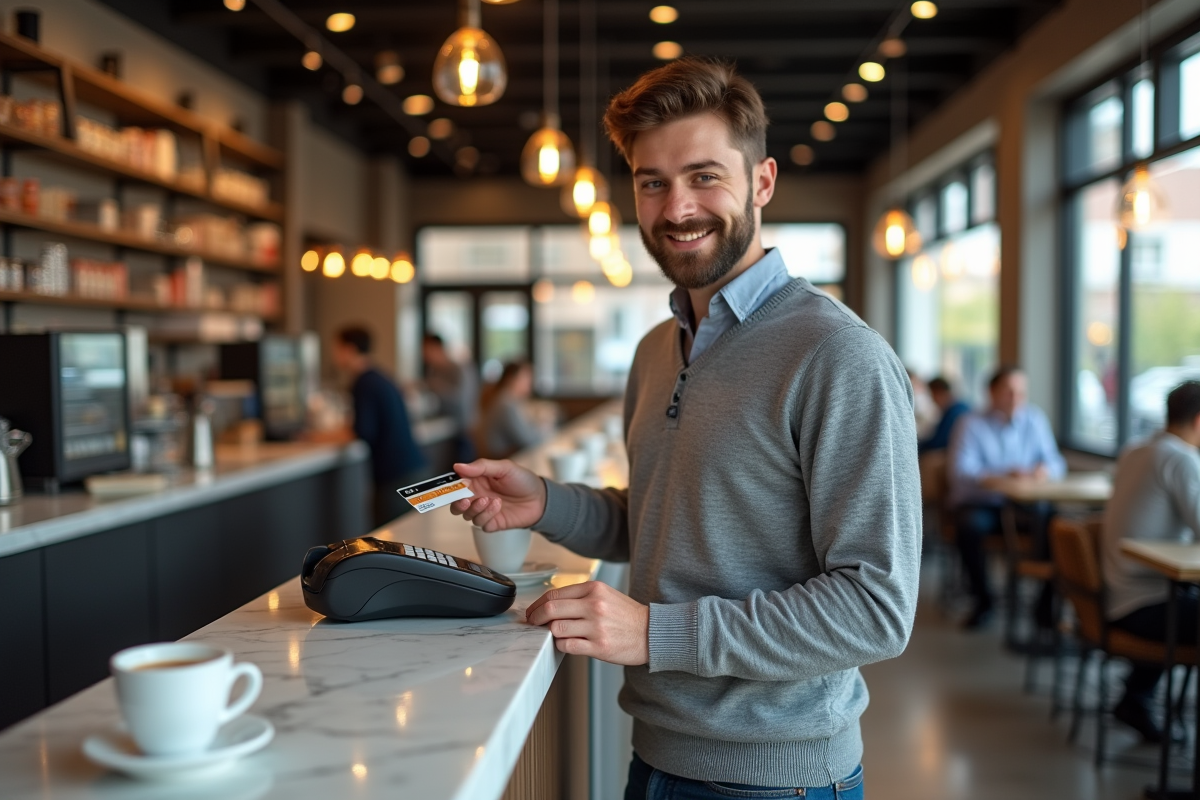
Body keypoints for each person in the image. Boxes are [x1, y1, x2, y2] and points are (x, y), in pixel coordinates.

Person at [449, 57, 920, 799]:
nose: (676, 210)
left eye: (705, 176)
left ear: (762, 182)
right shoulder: (658, 349)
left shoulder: (837, 354)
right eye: (652, 182)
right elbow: (671, 522)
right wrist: (545, 500)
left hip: (779, 779)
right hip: (659, 756)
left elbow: (875, 608)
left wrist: (654, 634)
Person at [1103, 380, 1200, 743]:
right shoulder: (1180, 458)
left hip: (1115, 595)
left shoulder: (1136, 450)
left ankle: (1135, 697)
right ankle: (1137, 698)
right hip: (1143, 604)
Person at [948, 365, 1066, 629]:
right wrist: (1003, 475)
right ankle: (983, 601)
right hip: (985, 504)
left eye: (1021, 392)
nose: (1016, 399)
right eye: (1009, 392)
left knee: (1060, 527)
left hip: (1024, 506)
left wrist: (1042, 471)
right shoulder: (970, 423)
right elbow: (961, 471)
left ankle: (1044, 606)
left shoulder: (1034, 420)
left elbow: (1057, 464)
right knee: (969, 526)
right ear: (991, 392)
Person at [331, 326, 428, 527]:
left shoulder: (363, 382)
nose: (334, 355)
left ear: (349, 349)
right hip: (411, 469)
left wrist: (315, 437)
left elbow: (363, 431)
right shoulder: (379, 376)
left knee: (388, 544)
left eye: (336, 349)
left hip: (395, 477)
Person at [422, 333, 480, 461]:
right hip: (445, 430)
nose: (424, 355)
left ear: (437, 348)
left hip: (463, 431)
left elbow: (461, 400)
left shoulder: (458, 369)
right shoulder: (433, 370)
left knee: (463, 472)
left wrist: (433, 385)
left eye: (426, 350)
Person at [479, 360, 548, 459]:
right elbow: (528, 441)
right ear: (510, 379)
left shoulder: (508, 400)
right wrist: (544, 426)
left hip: (508, 457)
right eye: (525, 378)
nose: (529, 383)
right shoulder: (506, 405)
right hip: (503, 460)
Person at [919, 376, 970, 455]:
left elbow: (939, 442)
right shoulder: (954, 408)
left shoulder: (956, 411)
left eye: (932, 395)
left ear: (939, 392)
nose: (932, 400)